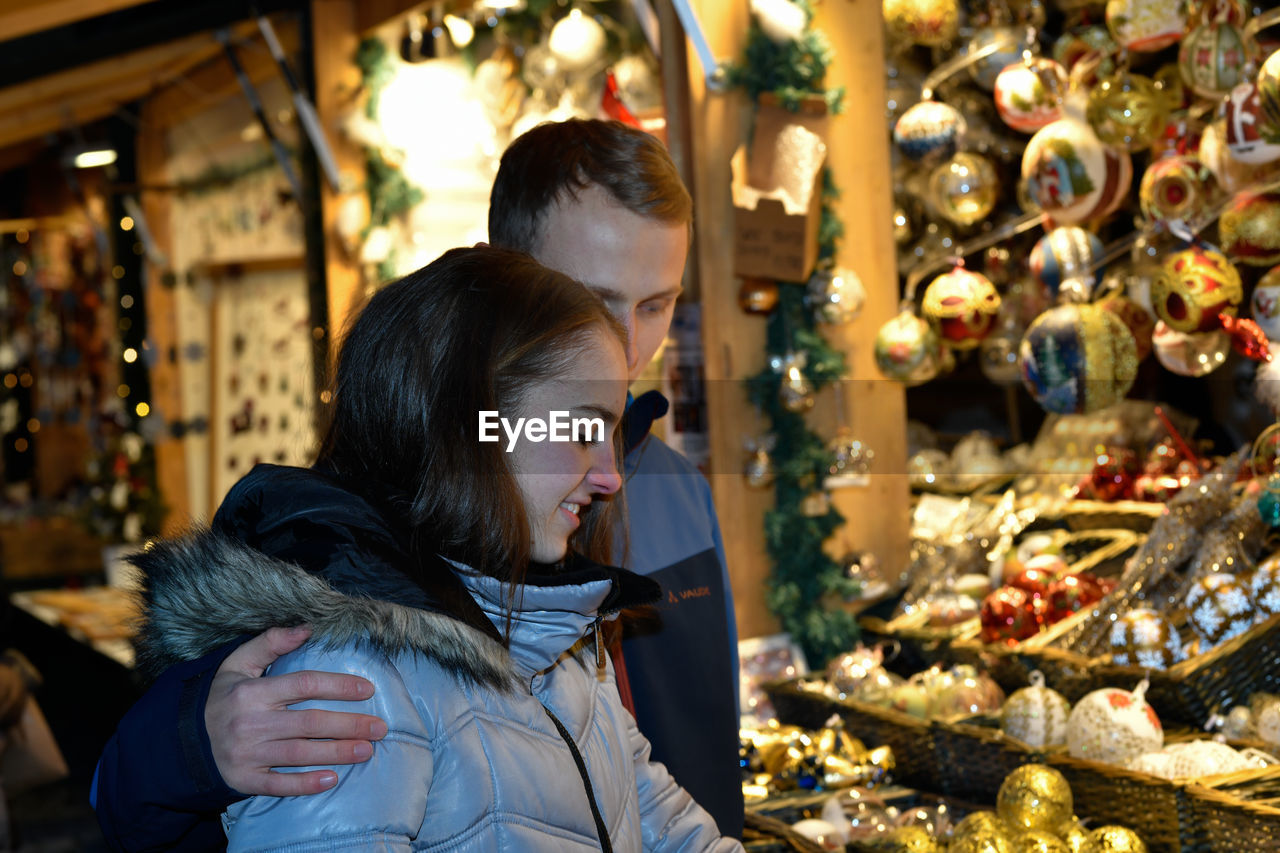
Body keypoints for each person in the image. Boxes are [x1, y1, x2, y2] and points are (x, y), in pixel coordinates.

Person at [94, 119, 742, 848]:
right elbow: (160, 776)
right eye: (589, 300)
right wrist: (185, 741)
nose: (627, 346)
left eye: (656, 304)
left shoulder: (655, 505)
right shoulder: (360, 631)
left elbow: (653, 793)